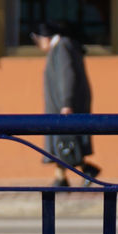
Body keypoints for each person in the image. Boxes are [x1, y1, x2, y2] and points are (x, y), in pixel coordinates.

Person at [32, 21, 100, 186]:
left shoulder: (62, 48)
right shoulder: (62, 47)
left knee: (66, 141)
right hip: (61, 104)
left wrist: (66, 103)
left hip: (64, 105)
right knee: (65, 142)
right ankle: (62, 177)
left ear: (45, 38)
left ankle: (81, 172)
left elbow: (67, 75)